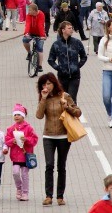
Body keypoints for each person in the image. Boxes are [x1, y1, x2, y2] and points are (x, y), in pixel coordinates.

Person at [36, 72, 81, 206]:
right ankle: (48, 196)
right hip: (48, 135)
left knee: (61, 166)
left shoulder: (65, 96)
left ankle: (60, 196)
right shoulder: (44, 98)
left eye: (49, 83)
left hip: (63, 136)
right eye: (44, 84)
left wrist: (67, 107)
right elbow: (38, 115)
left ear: (55, 83)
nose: (46, 86)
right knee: (49, 165)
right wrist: (43, 99)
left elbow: (78, 112)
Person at [47, 21, 88, 103]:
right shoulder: (56, 44)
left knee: (72, 99)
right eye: (69, 28)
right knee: (63, 99)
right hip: (62, 76)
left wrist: (77, 66)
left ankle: (74, 115)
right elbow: (51, 59)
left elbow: (84, 56)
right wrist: (58, 68)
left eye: (72, 28)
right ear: (63, 30)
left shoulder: (77, 42)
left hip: (74, 76)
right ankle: (64, 116)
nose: (71, 30)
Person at [5, 103, 38, 202]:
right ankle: (19, 188)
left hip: (25, 155)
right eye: (15, 115)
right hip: (15, 156)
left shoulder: (29, 128)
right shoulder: (10, 129)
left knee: (24, 174)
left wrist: (26, 139)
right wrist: (12, 141)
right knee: (15, 172)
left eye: (18, 114)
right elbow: (6, 140)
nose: (16, 116)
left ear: (23, 116)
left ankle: (25, 192)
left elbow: (35, 139)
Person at [22, 3, 46, 72]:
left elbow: (40, 25)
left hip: (39, 34)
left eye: (30, 10)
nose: (28, 12)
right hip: (30, 33)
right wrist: (26, 33)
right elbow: (28, 24)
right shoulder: (29, 15)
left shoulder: (41, 14)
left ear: (35, 11)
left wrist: (42, 36)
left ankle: (40, 66)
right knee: (25, 40)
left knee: (40, 48)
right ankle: (29, 52)